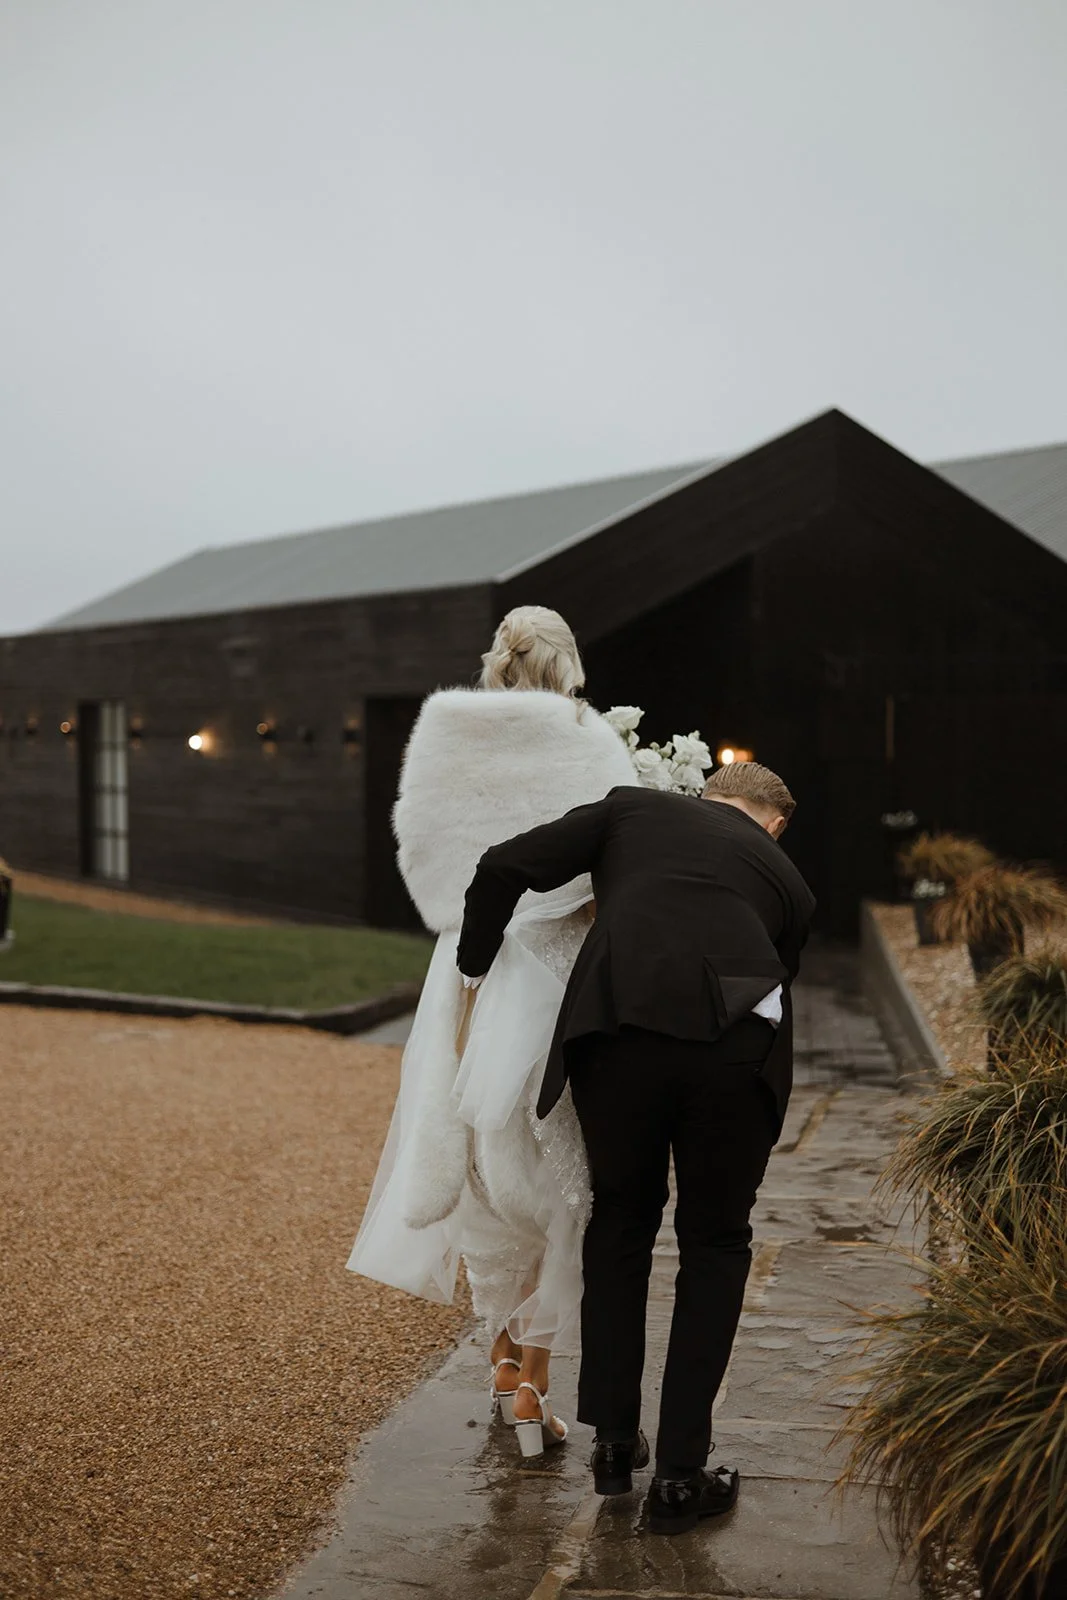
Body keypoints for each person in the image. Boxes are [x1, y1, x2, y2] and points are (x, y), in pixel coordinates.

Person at [457, 760, 815, 1530]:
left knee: (619, 1222)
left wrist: (474, 968)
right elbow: (775, 977)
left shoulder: (631, 809)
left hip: (615, 1031)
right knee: (715, 1242)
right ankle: (681, 1479)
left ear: (704, 798)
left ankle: (614, 1445)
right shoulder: (789, 880)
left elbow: (501, 865)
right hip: (731, 1047)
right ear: (774, 821)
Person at [347, 605, 637, 1458]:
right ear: (567, 664)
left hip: (466, 964)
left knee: (474, 1153)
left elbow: (421, 854)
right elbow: (615, 855)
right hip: (554, 968)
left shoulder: (440, 731)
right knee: (557, 1171)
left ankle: (503, 1364)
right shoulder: (588, 741)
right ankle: (532, 1382)